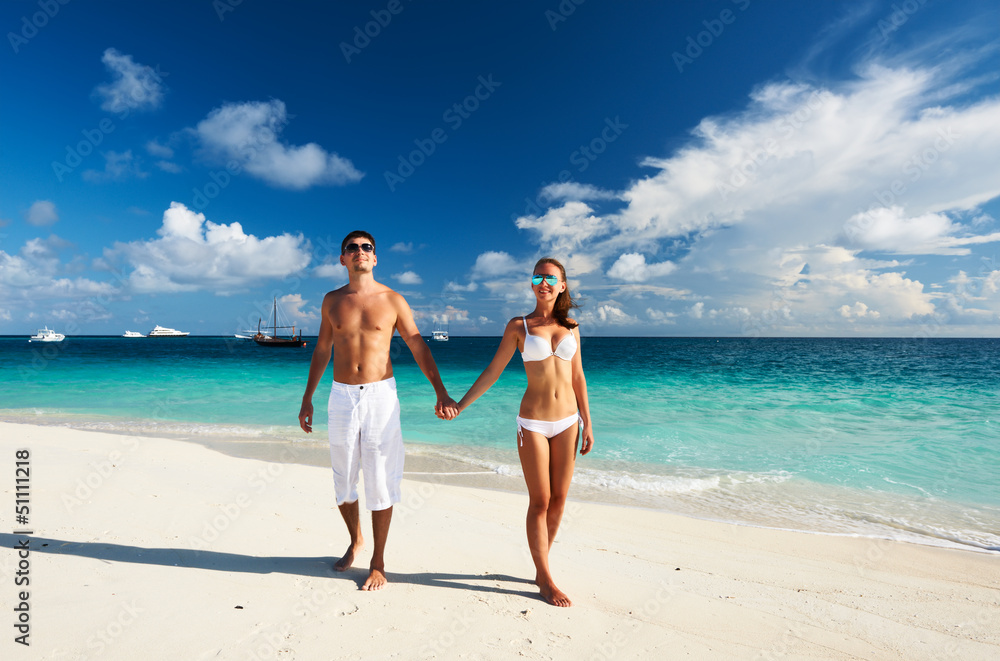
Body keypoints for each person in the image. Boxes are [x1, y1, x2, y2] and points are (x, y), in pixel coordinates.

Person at [299, 230, 458, 591]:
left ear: (375, 257)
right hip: (340, 396)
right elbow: (322, 349)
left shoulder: (393, 300)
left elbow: (418, 346)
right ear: (343, 259)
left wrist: (441, 392)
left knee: (380, 476)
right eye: (351, 248)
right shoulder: (331, 301)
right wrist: (307, 397)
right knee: (343, 477)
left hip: (380, 395)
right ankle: (356, 540)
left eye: (366, 248)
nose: (359, 252)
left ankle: (378, 561)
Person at [450, 257, 594, 607]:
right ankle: (545, 578)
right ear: (532, 283)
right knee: (540, 500)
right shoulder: (519, 326)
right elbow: (493, 371)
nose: (543, 282)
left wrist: (588, 421)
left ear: (562, 286)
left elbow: (578, 377)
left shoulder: (572, 327)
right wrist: (460, 404)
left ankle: (540, 564)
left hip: (567, 422)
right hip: (533, 423)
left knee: (560, 499)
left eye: (551, 278)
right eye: (537, 276)